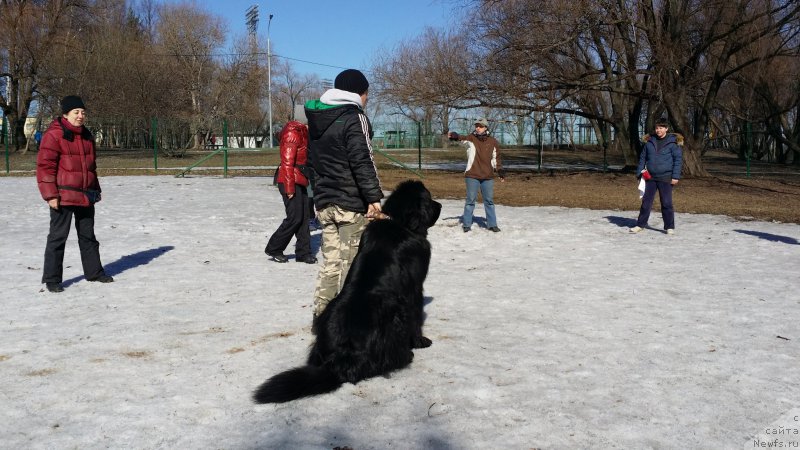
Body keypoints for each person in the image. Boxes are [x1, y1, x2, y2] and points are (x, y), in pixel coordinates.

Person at [304, 68, 383, 318]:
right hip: (350, 205)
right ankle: (347, 324)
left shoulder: (317, 119)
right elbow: (363, 161)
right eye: (366, 94)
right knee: (352, 266)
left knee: (331, 264)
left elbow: (311, 163)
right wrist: (373, 198)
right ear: (359, 93)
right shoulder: (354, 118)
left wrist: (318, 197)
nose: (367, 99)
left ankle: (322, 317)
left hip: (326, 204)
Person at [36, 95, 113, 293]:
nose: (80, 116)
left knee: (88, 236)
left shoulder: (87, 136)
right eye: (76, 112)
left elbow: (91, 168)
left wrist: (96, 189)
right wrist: (50, 195)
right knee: (57, 237)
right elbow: (45, 167)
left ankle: (94, 272)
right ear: (65, 114)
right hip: (63, 196)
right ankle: (52, 279)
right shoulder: (53, 136)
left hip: (86, 195)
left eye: (83, 112)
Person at [264, 115, 317, 264]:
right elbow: (287, 163)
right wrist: (289, 188)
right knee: (294, 217)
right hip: (289, 180)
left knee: (305, 216)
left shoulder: (303, 133)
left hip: (301, 178)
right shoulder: (292, 133)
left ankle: (303, 252)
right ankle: (274, 247)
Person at [448, 118, 505, 233]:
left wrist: (500, 171)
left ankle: (492, 224)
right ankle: (467, 224)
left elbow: (496, 158)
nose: (477, 128)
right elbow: (461, 138)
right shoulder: (471, 138)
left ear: (485, 127)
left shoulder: (493, 142)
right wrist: (455, 135)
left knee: (489, 201)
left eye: (480, 126)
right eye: (476, 126)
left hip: (487, 176)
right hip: (472, 175)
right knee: (470, 200)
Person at [630, 118, 683, 235]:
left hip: (666, 177)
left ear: (666, 129)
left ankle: (669, 226)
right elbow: (643, 158)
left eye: (661, 128)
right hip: (650, 178)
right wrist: (639, 173)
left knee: (666, 203)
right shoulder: (650, 141)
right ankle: (640, 225)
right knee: (646, 203)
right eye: (657, 128)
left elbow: (678, 160)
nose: (658, 130)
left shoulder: (673, 143)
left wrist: (675, 176)